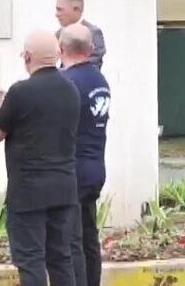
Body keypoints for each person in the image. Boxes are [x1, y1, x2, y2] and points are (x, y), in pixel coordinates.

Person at [0, 31, 80, 286]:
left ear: (27, 57)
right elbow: (41, 119)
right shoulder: (70, 90)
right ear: (57, 54)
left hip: (29, 192)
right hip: (64, 188)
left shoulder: (21, 92)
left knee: (31, 261)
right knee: (61, 258)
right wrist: (8, 103)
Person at [59, 24, 110, 286]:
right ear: (90, 49)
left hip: (73, 169)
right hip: (95, 167)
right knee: (89, 236)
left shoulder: (68, 82)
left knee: (71, 241)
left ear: (61, 48)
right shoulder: (98, 79)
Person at [55, 0, 106, 69]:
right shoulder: (58, 34)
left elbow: (92, 64)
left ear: (76, 9)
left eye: (60, 10)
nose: (57, 14)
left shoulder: (93, 33)